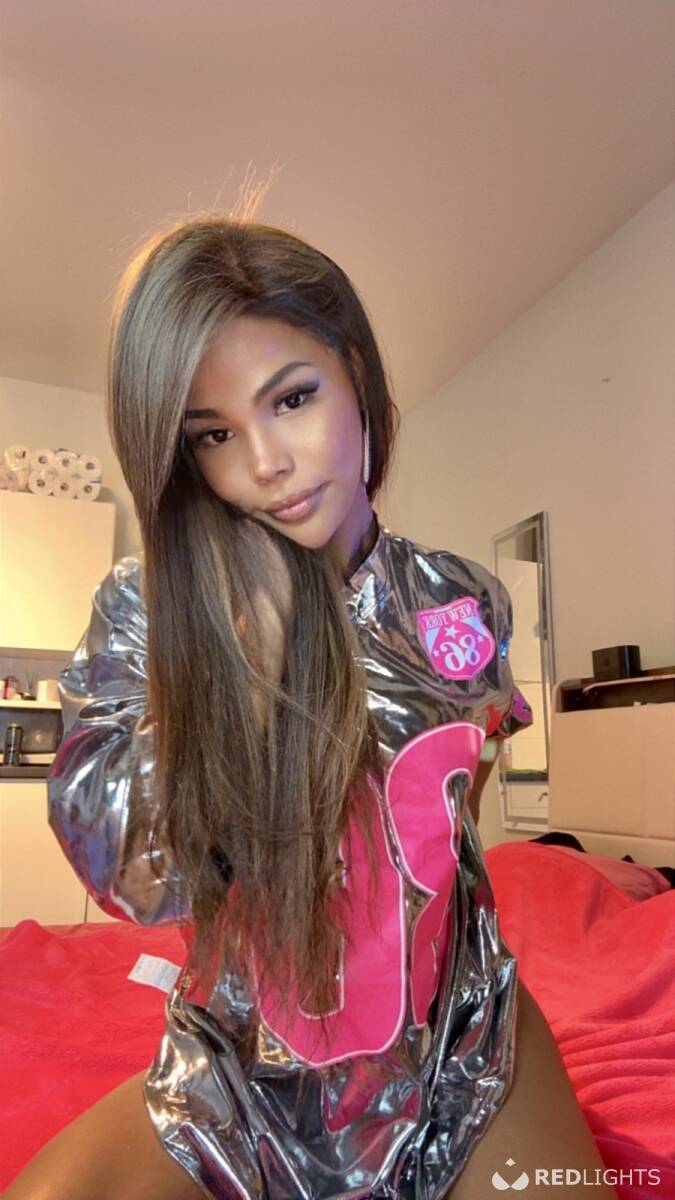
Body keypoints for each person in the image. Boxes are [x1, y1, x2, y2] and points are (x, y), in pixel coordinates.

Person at [3, 217, 618, 1200]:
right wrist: (244, 664)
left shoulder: (466, 608)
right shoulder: (150, 608)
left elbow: (456, 832)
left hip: (457, 1055)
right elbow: (131, 880)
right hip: (237, 1073)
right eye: (213, 434)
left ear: (356, 376)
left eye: (291, 398)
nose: (265, 462)